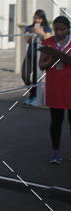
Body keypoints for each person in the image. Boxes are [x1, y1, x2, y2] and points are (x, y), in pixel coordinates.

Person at [38, 15, 71, 164]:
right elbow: (41, 65)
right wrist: (51, 61)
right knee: (56, 121)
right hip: (55, 87)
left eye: (62, 29)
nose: (58, 32)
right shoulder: (48, 43)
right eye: (56, 29)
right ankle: (55, 152)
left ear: (68, 29)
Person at [22, 10, 52, 105]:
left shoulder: (47, 28)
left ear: (42, 19)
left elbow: (48, 39)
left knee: (36, 77)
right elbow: (27, 40)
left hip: (40, 55)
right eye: (35, 18)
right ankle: (33, 94)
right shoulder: (29, 27)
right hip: (30, 54)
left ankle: (34, 97)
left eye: (39, 18)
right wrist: (32, 33)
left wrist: (41, 33)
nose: (37, 20)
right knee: (25, 75)